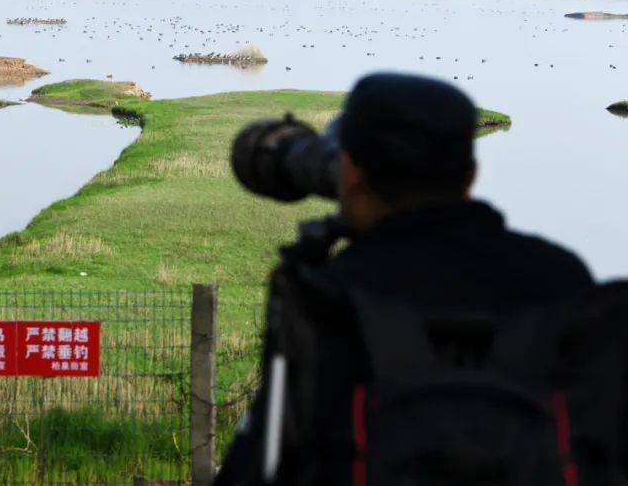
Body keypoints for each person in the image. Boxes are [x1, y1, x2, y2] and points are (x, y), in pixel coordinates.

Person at [216, 73, 612, 485]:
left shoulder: (327, 295)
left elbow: (259, 467)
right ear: (471, 175)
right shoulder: (561, 277)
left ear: (350, 173)